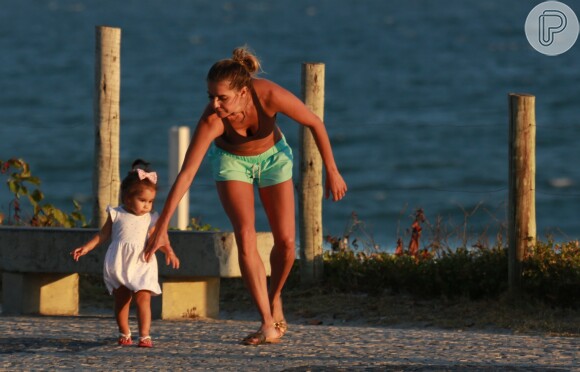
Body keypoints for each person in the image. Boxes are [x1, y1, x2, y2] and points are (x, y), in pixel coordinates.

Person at [144, 46, 347, 345]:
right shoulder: (212, 121)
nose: (214, 103)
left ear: (242, 91)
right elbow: (185, 175)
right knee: (245, 233)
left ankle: (274, 296)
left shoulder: (267, 95)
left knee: (288, 243)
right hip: (231, 162)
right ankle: (267, 322)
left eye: (221, 97)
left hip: (273, 158)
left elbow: (314, 122)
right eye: (210, 96)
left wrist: (332, 169)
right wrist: (161, 227)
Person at [71, 159, 180, 348]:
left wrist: (168, 251)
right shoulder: (117, 214)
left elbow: (158, 240)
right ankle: (124, 332)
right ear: (128, 198)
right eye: (143, 201)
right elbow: (103, 235)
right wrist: (86, 247)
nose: (147, 205)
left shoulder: (151, 218)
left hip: (142, 261)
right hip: (120, 262)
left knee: (143, 298)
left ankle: (145, 335)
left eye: (151, 201)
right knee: (122, 299)